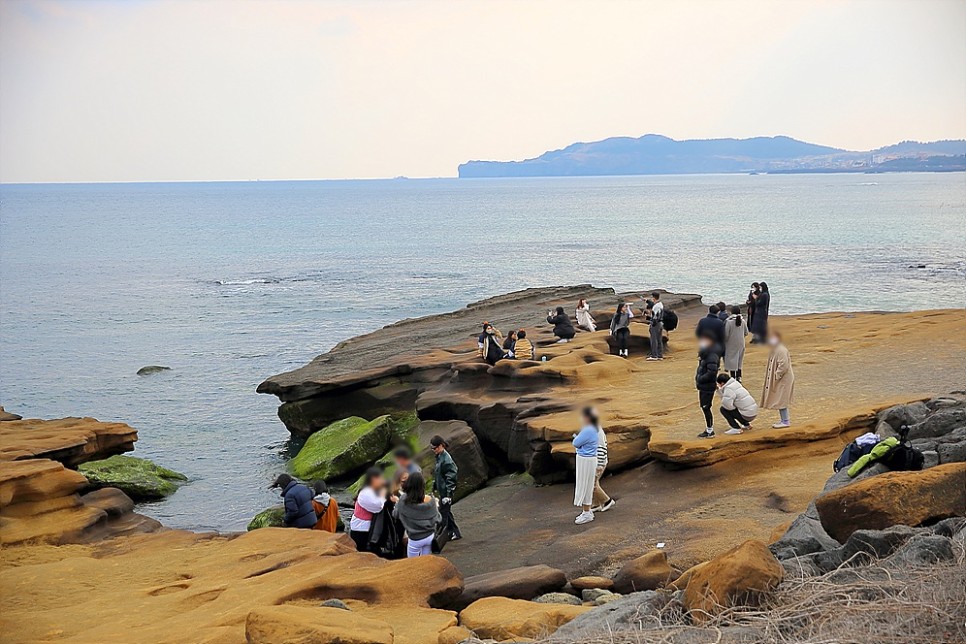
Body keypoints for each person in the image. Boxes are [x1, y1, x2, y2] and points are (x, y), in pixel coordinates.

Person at [392, 472, 441, 558]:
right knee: (425, 562)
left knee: (413, 565)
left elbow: (395, 514)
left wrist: (397, 502)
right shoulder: (431, 500)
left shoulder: (403, 501)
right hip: (429, 537)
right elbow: (438, 518)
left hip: (415, 539)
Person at [761, 330, 795, 428]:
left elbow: (783, 365)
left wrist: (777, 375)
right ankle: (784, 420)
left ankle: (785, 421)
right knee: (780, 398)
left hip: (784, 378)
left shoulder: (780, 350)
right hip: (781, 378)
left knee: (781, 399)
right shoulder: (775, 349)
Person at [430, 435, 461, 540]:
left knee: (443, 514)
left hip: (446, 492)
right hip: (442, 490)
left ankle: (442, 536)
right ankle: (454, 533)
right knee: (446, 513)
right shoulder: (439, 457)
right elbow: (438, 474)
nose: (433, 450)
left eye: (435, 448)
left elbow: (451, 476)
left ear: (441, 446)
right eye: (432, 449)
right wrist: (434, 486)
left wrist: (448, 494)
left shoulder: (446, 459)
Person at [572, 407, 599, 525]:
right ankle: (586, 511)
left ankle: (586, 512)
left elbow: (576, 443)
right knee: (586, 485)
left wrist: (577, 438)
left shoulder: (588, 429)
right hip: (589, 459)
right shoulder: (593, 428)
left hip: (585, 460)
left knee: (584, 485)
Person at [350, 467, 387, 551]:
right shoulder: (365, 493)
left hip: (367, 528)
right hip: (361, 529)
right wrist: (383, 494)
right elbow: (378, 506)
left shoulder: (373, 491)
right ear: (373, 479)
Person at [695, 332, 722, 438]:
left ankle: (710, 431)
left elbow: (712, 372)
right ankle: (709, 429)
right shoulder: (706, 354)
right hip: (704, 386)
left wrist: (701, 379)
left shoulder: (711, 356)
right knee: (704, 407)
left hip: (707, 386)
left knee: (706, 407)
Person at [590, 416, 616, 513]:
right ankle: (596, 504)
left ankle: (607, 501)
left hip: (598, 462)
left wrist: (599, 464)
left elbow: (600, 448)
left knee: (592, 484)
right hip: (597, 461)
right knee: (594, 482)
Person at [723, 305, 748, 381]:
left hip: (731, 344)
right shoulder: (743, 321)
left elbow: (726, 335)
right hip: (741, 343)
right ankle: (739, 376)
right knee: (739, 361)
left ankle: (733, 377)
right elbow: (746, 332)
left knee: (732, 361)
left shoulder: (729, 322)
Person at [645, 291, 665, 361]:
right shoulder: (660, 304)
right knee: (659, 339)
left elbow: (655, 317)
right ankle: (660, 355)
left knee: (654, 340)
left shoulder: (656, 306)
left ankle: (654, 355)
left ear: (653, 297)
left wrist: (649, 319)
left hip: (655, 324)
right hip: (660, 324)